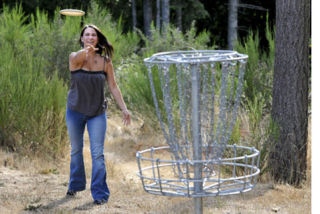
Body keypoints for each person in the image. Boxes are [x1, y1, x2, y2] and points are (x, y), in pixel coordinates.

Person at [65, 24, 131, 205]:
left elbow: (113, 87)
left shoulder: (105, 62)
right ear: (82, 38)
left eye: (93, 35)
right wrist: (86, 52)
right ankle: (76, 185)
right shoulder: (74, 57)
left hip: (97, 113)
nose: (90, 37)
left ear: (98, 38)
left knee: (98, 154)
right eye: (86, 35)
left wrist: (124, 109)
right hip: (75, 111)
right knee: (76, 150)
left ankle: (100, 194)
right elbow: (78, 57)